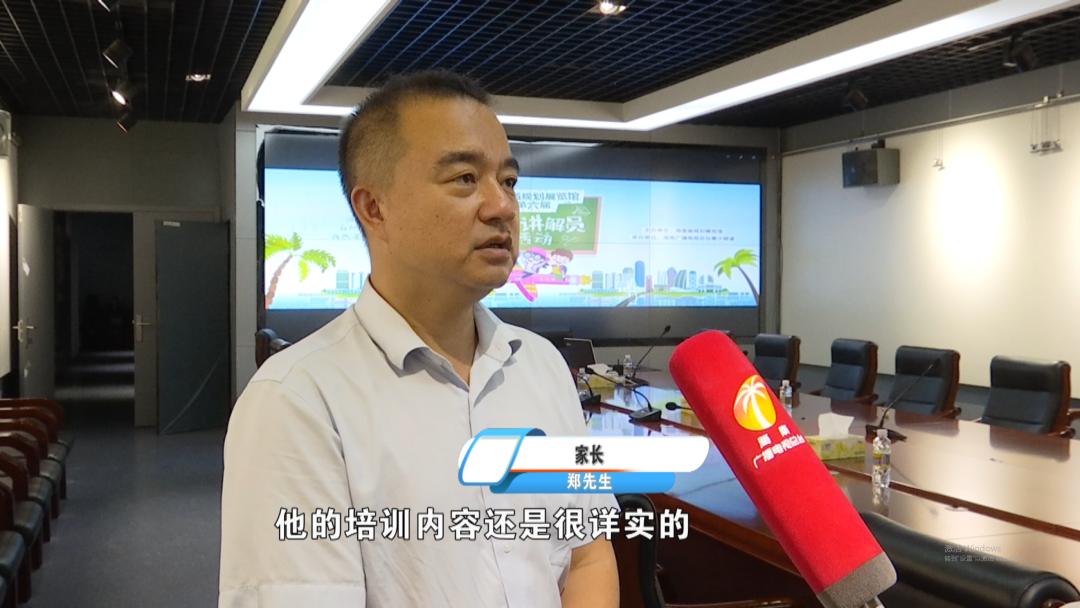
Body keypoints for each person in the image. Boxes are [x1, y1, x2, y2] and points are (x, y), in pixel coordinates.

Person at [219, 70, 619, 608]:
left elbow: (589, 554)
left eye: (508, 181)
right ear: (374, 208)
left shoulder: (542, 366)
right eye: (464, 179)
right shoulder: (298, 401)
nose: (502, 207)